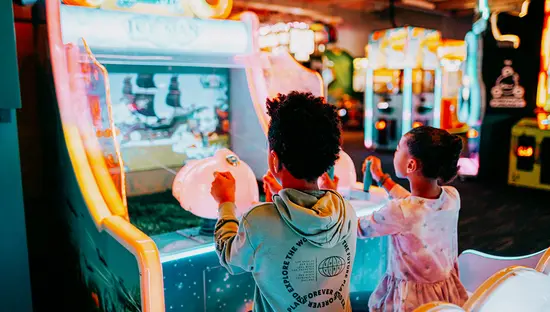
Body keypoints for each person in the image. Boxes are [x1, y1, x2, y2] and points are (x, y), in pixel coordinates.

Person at [210, 91, 357, 312]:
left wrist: (225, 203)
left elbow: (231, 259)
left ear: (274, 158)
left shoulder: (258, 220)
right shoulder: (346, 211)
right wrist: (280, 199)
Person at [358, 126, 468, 312]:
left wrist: (330, 194)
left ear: (411, 165)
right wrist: (383, 179)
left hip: (410, 303)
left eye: (398, 149)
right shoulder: (452, 197)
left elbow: (359, 228)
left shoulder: (399, 211)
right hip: (446, 299)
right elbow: (415, 205)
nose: (395, 153)